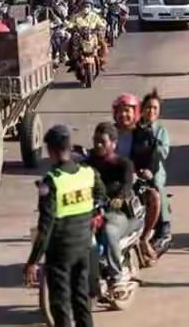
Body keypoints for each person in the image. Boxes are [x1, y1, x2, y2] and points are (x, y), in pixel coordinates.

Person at [24, 125, 105, 327]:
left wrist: (32, 261)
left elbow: (45, 228)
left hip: (60, 253)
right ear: (69, 147)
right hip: (83, 248)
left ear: (50, 151)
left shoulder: (51, 182)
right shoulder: (88, 173)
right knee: (81, 301)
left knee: (60, 306)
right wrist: (92, 214)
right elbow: (101, 196)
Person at [86, 122, 140, 287]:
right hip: (93, 211)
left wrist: (120, 198)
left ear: (114, 143)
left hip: (117, 214)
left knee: (109, 232)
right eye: (96, 141)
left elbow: (127, 184)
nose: (98, 145)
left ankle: (116, 274)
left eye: (102, 141)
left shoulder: (124, 164)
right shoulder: (87, 164)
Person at [131, 91, 171, 258]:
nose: (151, 111)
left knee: (158, 190)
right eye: (148, 108)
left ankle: (164, 230)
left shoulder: (160, 131)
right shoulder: (134, 128)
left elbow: (163, 153)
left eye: (155, 108)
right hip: (134, 170)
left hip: (154, 172)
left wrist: (154, 141)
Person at [112, 93, 140, 161]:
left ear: (134, 113)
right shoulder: (110, 131)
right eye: (120, 110)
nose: (123, 114)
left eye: (127, 110)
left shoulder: (142, 134)